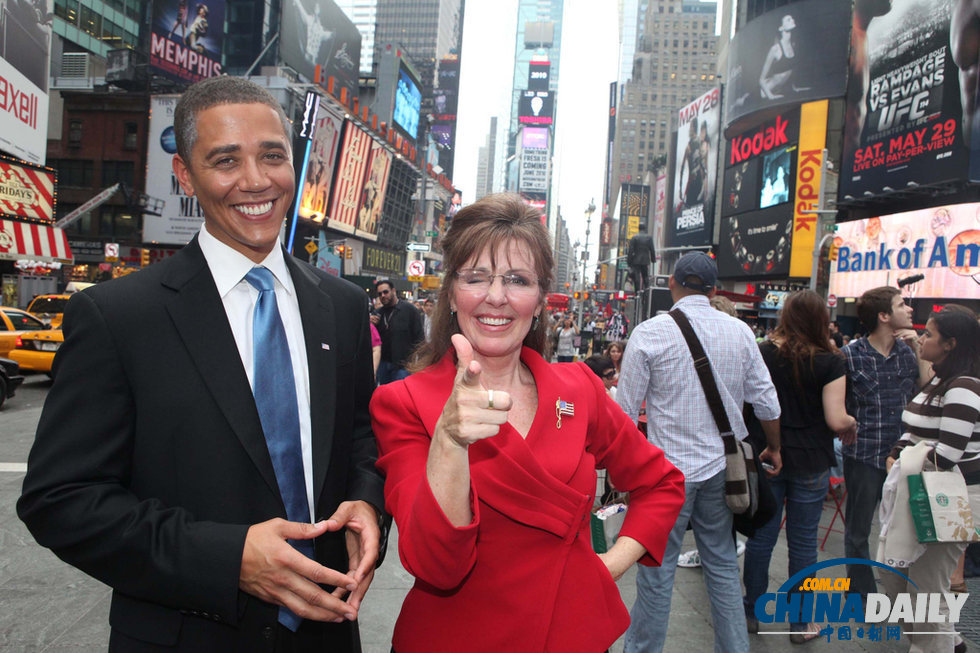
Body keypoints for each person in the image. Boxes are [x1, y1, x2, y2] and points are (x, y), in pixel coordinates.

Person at [16, 77, 386, 651]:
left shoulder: (341, 306)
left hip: (327, 632)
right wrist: (228, 558)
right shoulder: (119, 316)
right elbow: (60, 499)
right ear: (185, 175)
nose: (257, 181)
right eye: (225, 160)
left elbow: (363, 439)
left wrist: (367, 501)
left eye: (273, 156)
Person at [369, 193, 685, 652]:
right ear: (453, 294)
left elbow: (661, 483)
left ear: (539, 300)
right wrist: (450, 442)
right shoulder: (403, 403)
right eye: (476, 277)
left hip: (570, 637)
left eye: (517, 280)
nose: (495, 297)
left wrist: (606, 566)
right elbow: (435, 563)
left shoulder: (579, 388)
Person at [617, 251, 782, 653]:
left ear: (672, 283)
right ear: (712, 290)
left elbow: (622, 413)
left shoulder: (650, 332)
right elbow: (768, 403)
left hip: (663, 474)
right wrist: (774, 447)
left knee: (656, 569)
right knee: (723, 564)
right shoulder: (740, 332)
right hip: (723, 471)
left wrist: (623, 477)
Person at [741, 290, 857, 643]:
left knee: (761, 535)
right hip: (811, 460)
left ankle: (752, 611)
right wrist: (851, 423)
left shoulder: (764, 353)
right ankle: (801, 621)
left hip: (767, 455)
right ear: (822, 319)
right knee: (804, 542)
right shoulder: (831, 361)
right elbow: (836, 420)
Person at [878, 305, 980, 653]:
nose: (922, 339)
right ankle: (949, 642)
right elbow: (917, 432)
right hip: (925, 491)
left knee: (925, 590)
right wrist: (899, 449)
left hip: (951, 498)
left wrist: (902, 457)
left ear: (950, 343)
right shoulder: (939, 379)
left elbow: (948, 453)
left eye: (929, 334)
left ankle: (933, 645)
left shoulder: (964, 386)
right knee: (909, 584)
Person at [842, 286, 925, 600]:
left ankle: (901, 594)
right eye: (902, 305)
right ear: (884, 315)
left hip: (904, 456)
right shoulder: (851, 354)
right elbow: (839, 401)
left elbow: (928, 385)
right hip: (864, 454)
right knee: (858, 531)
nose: (910, 310)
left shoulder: (908, 351)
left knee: (904, 530)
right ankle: (862, 596)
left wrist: (917, 344)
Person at [370, 279, 424, 385]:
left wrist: (419, 363)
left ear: (393, 291)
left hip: (403, 365)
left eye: (386, 292)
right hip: (383, 363)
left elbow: (420, 337)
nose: (383, 296)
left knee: (399, 397)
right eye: (380, 294)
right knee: (385, 394)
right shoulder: (377, 314)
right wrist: (371, 323)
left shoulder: (409, 310)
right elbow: (372, 339)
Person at [759, 14, 797, 100]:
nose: (792, 20)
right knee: (741, 101)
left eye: (792, 18)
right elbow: (761, 80)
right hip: (764, 93)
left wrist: (793, 87)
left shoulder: (793, 45)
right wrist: (771, 96)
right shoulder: (775, 49)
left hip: (779, 91)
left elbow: (789, 71)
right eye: (788, 19)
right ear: (781, 28)